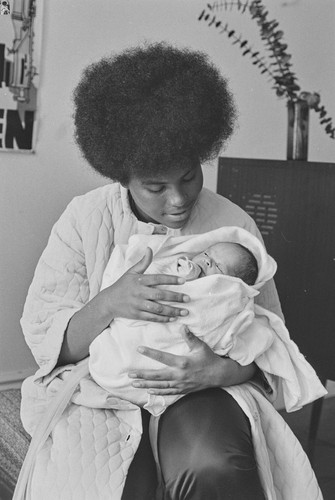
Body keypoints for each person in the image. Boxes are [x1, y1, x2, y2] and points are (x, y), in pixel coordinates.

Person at [17, 43, 326, 500]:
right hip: (102, 391)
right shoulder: (84, 219)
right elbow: (50, 342)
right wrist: (110, 302)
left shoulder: (234, 226)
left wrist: (217, 373)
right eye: (155, 187)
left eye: (189, 176)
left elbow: (269, 342)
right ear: (122, 174)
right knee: (104, 484)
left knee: (213, 467)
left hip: (204, 390)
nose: (178, 200)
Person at [89, 226, 276, 416]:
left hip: (181, 384)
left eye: (217, 266)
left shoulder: (228, 301)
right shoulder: (173, 264)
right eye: (205, 253)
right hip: (114, 354)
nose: (206, 261)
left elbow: (253, 345)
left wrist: (220, 370)